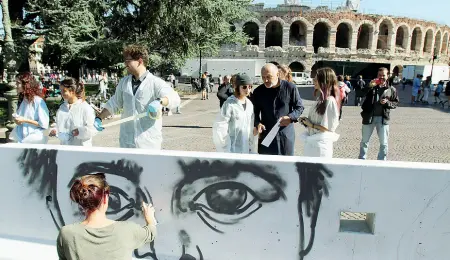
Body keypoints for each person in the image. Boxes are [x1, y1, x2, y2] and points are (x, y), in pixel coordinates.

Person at [93, 44, 180, 149]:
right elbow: (114, 103)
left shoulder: (154, 82)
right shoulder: (124, 83)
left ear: (140, 61)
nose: (125, 64)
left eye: (128, 61)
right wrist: (99, 118)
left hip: (148, 142)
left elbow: (174, 98)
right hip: (127, 141)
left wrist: (160, 102)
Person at [57, 173, 157, 260]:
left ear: (81, 202)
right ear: (105, 198)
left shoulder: (66, 234)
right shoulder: (128, 230)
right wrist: (150, 220)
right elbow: (151, 233)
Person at [252, 63, 304, 156]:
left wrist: (290, 117)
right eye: (263, 77)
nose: (266, 80)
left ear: (277, 74)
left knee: (286, 165)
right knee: (266, 165)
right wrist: (257, 123)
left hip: (285, 134)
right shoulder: (258, 92)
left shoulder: (290, 88)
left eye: (269, 77)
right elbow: (254, 113)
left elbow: (299, 107)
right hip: (266, 134)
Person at [359, 67, 399, 161]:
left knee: (384, 143)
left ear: (387, 76)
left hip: (383, 119)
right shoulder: (372, 86)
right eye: (379, 75)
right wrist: (369, 86)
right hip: (369, 117)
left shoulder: (391, 89)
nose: (381, 77)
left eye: (383, 75)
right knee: (364, 141)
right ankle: (362, 159)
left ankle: (381, 161)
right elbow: (360, 93)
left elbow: (395, 103)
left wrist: (387, 103)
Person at [299, 68, 341, 158]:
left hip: (321, 146)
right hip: (313, 143)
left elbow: (329, 128)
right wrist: (306, 122)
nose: (313, 81)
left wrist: (311, 125)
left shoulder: (330, 101)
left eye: (316, 79)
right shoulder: (320, 99)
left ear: (324, 81)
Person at [213, 73, 256, 154]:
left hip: (246, 148)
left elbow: (250, 126)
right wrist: (225, 148)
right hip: (232, 148)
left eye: (250, 87)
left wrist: (251, 146)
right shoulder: (229, 104)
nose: (247, 90)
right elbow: (220, 126)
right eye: (244, 87)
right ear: (237, 87)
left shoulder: (249, 104)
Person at [49, 78, 97, 146]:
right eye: (61, 90)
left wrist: (79, 132)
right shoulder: (62, 108)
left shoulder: (85, 108)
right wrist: (54, 130)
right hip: (65, 149)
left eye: (64, 91)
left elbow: (93, 129)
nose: (62, 93)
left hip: (81, 150)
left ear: (72, 91)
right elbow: (58, 123)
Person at [10, 72, 49, 144]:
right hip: (22, 137)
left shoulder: (38, 101)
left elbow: (44, 124)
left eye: (18, 83)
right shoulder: (22, 100)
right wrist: (17, 120)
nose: (16, 85)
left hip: (35, 139)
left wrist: (24, 120)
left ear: (26, 84)